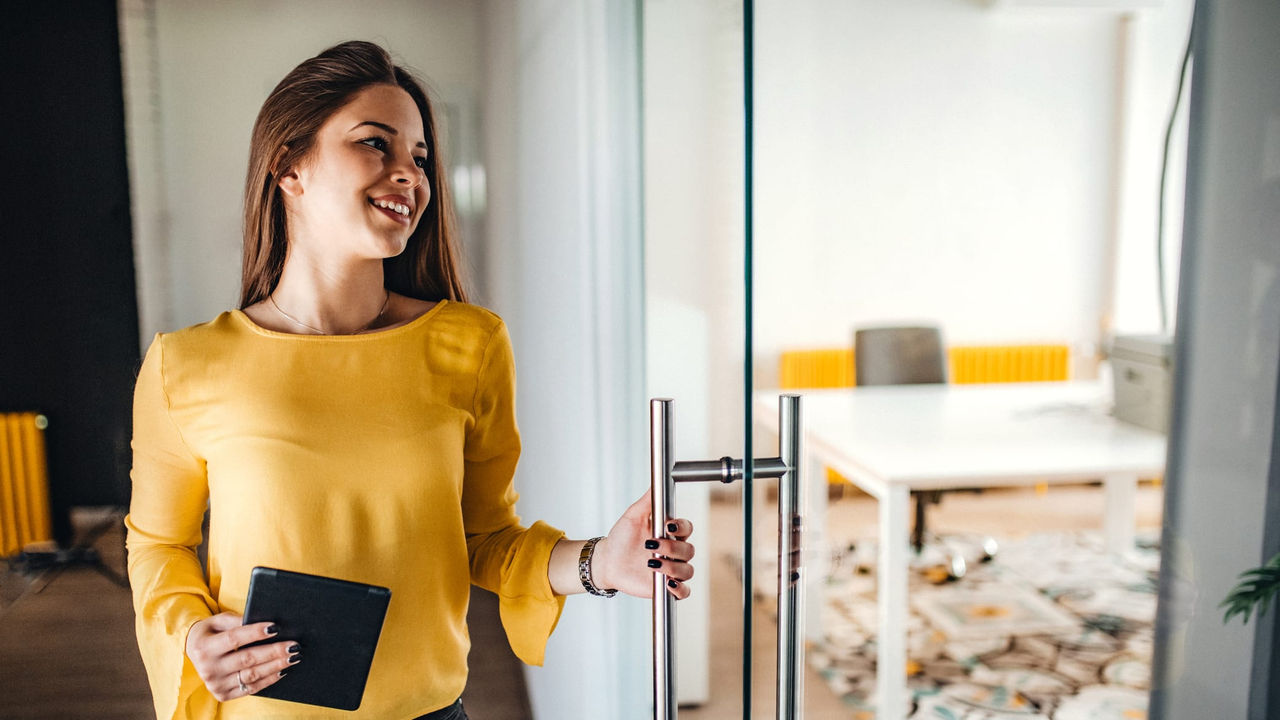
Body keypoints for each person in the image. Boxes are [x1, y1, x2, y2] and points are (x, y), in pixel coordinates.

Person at [125, 40, 694, 720]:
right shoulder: (186, 363)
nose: (410, 176)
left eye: (419, 159)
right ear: (289, 166)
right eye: (376, 145)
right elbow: (157, 544)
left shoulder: (468, 343)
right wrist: (190, 635)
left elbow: (486, 539)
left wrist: (600, 563)